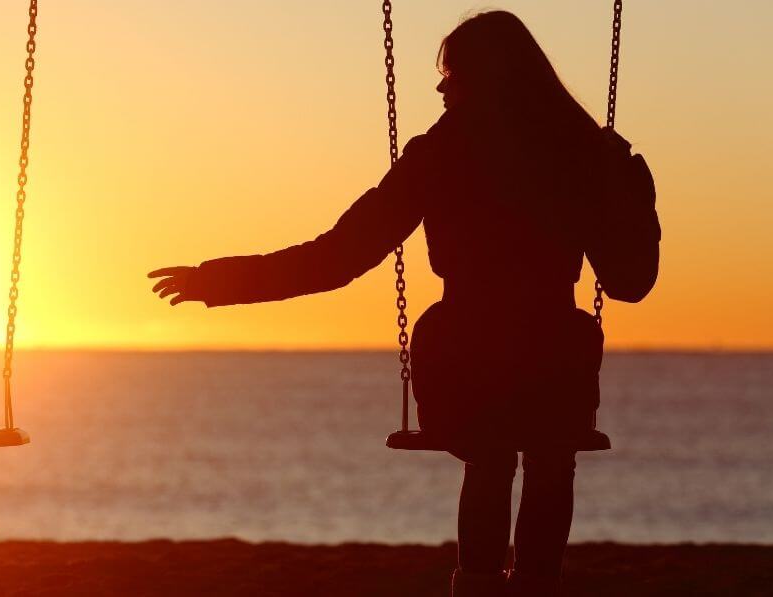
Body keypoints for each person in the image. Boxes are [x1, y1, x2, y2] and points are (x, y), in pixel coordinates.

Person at [149, 10, 659, 597]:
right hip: (552, 364)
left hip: (466, 362)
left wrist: (218, 283)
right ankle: (536, 582)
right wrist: (634, 195)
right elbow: (629, 282)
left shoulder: (441, 154)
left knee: (492, 455)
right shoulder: (581, 152)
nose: (440, 87)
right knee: (550, 453)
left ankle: (478, 585)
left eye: (450, 74)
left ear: (484, 76)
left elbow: (337, 258)